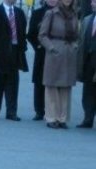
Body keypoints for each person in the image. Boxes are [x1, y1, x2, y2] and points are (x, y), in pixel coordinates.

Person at [0, 0, 29, 121]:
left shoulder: (19, 13)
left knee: (13, 83)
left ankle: (11, 112)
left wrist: (23, 47)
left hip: (15, 52)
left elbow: (22, 33)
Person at [38, 0, 79, 129]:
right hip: (54, 54)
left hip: (68, 54)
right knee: (52, 86)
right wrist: (51, 48)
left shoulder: (74, 14)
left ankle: (62, 118)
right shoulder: (51, 13)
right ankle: (51, 117)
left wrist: (74, 46)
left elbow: (77, 35)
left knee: (66, 87)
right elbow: (42, 35)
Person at [28, 0, 58, 121]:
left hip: (57, 54)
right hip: (42, 53)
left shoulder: (63, 13)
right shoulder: (37, 13)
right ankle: (39, 110)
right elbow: (31, 34)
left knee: (55, 81)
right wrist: (38, 47)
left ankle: (53, 110)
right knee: (39, 81)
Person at [76, 0, 96, 128]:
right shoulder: (87, 20)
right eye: (92, 1)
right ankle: (88, 118)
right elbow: (81, 40)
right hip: (88, 62)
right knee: (88, 91)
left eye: (95, 2)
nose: (92, 4)